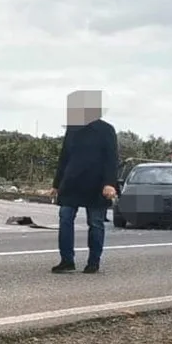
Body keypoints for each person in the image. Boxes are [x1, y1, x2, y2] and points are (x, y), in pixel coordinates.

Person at [50, 90, 119, 274]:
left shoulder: (106, 130)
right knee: (65, 218)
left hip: (97, 185)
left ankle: (93, 262)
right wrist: (56, 184)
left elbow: (112, 159)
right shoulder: (73, 129)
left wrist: (110, 183)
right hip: (71, 183)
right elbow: (64, 157)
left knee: (95, 222)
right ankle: (67, 261)